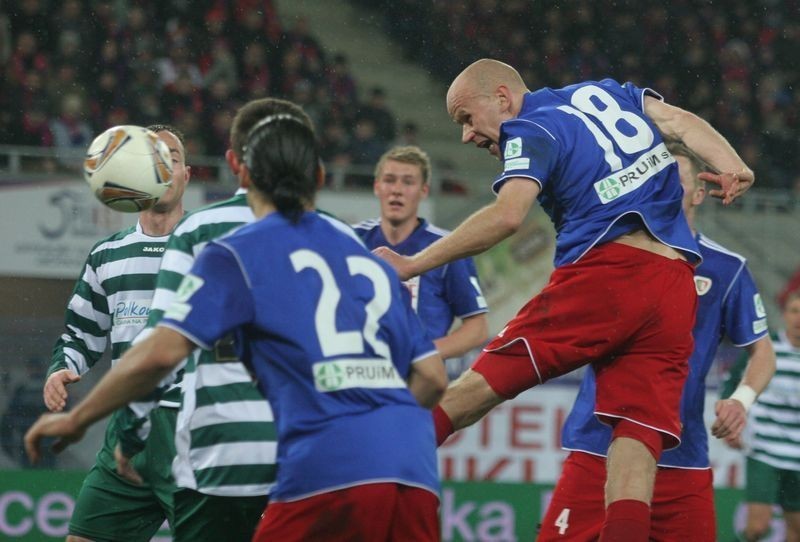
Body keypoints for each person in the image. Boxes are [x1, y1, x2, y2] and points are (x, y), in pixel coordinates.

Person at [26, 104, 447, 541]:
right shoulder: (360, 252)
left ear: (236, 169)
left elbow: (163, 352)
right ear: (319, 178)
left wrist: (82, 421)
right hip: (408, 463)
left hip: (277, 458)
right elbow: (432, 378)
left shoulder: (230, 247)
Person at [373, 58, 754, 541]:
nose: (468, 135)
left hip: (606, 277)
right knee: (635, 438)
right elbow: (679, 122)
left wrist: (411, 264)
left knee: (476, 390)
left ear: (504, 98)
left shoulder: (531, 128)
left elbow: (508, 216)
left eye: (467, 118)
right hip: (674, 283)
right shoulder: (607, 92)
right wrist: (732, 164)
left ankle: (359, 480)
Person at [537, 140, 776, 541]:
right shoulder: (609, 255)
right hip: (601, 447)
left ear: (700, 193)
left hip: (680, 459)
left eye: (674, 178)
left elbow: (763, 352)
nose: (661, 185)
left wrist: (741, 399)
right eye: (653, 176)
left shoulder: (726, 268)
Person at [115, 98, 308, 542]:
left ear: (233, 163)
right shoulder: (336, 234)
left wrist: (131, 431)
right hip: (306, 454)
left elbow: (160, 350)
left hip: (220, 456)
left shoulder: (199, 230)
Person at [42, 124, 190, 542]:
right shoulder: (107, 254)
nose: (162, 167)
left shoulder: (211, 244)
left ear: (187, 175)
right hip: (129, 432)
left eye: (172, 159)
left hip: (194, 429)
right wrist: (62, 369)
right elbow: (81, 332)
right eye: (153, 157)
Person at [353, 145, 488, 372]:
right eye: (389, 180)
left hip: (419, 385)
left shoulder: (447, 248)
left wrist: (421, 353)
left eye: (408, 182)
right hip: (359, 377)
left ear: (423, 191)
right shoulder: (351, 240)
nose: (397, 190)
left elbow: (477, 329)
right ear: (377, 187)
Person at [721, 289, 800, 542]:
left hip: (798, 453)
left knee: (797, 528)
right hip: (764, 448)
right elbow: (733, 383)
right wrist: (731, 423)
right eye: (794, 311)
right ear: (784, 314)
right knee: (756, 527)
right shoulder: (765, 350)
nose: (799, 319)